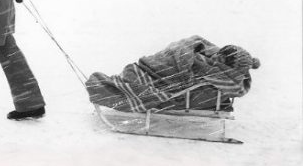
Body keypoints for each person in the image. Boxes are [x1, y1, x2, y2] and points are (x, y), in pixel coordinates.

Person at [86, 35, 260, 113]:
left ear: (228, 67)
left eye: (221, 58)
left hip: (159, 79)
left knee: (134, 81)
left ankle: (110, 88)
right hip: (151, 68)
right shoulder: (208, 56)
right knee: (133, 73)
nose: (216, 56)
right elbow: (185, 48)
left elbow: (191, 78)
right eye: (220, 52)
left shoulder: (218, 74)